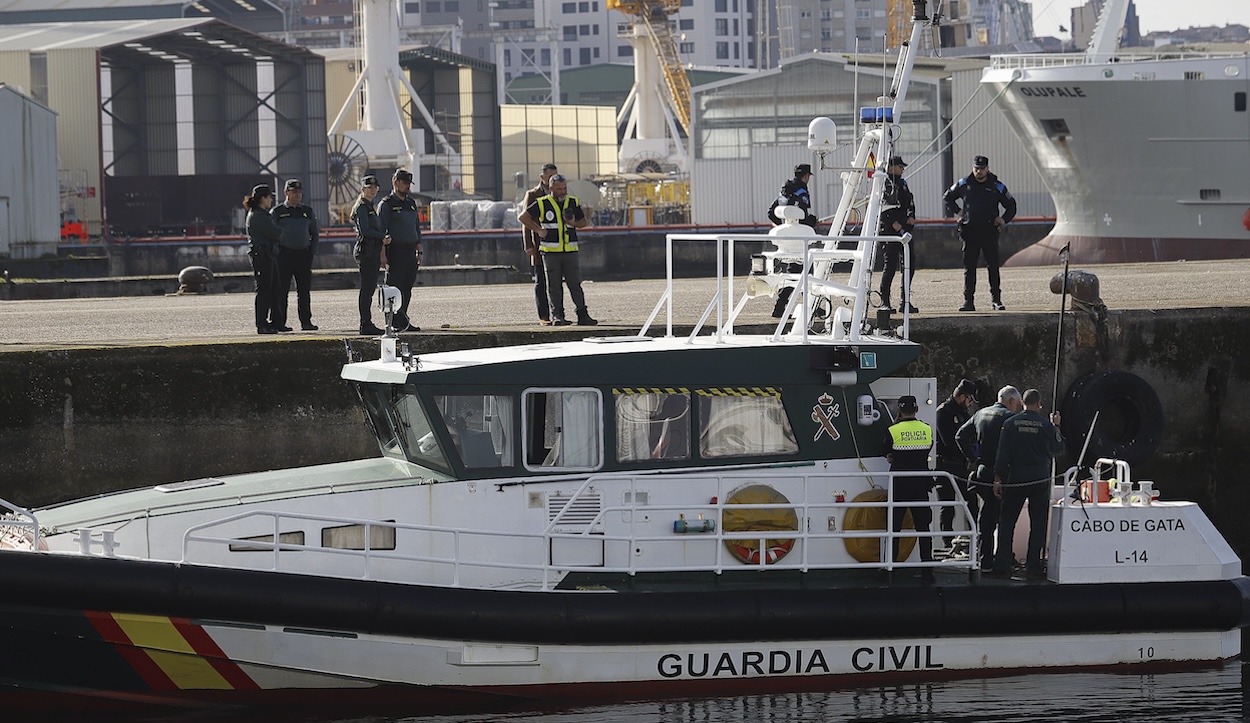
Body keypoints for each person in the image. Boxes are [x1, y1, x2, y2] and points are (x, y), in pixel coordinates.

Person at [991, 388, 1065, 580]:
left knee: (1007, 522)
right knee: (1038, 524)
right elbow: (1058, 449)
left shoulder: (1009, 423)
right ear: (1039, 404)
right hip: (1039, 479)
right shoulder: (1046, 426)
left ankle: (1002, 565)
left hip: (1015, 478)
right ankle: (1033, 568)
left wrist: (998, 479)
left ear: (1022, 402)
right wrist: (1056, 426)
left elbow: (1002, 455)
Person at [955, 384, 1023, 572]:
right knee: (1005, 518)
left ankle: (983, 560)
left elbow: (960, 436)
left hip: (982, 470)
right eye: (1017, 404)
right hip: (1003, 472)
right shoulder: (1011, 418)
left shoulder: (980, 413)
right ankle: (1003, 560)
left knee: (985, 517)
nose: (1016, 407)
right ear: (1011, 401)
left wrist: (973, 458)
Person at [519, 174, 597, 326]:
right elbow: (523, 217)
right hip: (550, 252)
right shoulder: (542, 203)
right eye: (559, 189)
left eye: (564, 188)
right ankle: (558, 316)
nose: (562, 192)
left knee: (575, 284)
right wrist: (539, 230)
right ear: (551, 189)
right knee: (554, 286)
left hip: (570, 251)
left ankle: (582, 314)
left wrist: (573, 222)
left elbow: (583, 222)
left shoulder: (572, 202)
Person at [943, 155, 1017, 312]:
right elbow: (947, 197)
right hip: (970, 232)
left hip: (989, 231)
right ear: (973, 168)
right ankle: (968, 301)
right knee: (969, 268)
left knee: (993, 267)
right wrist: (959, 211)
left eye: (982, 169)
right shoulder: (964, 184)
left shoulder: (997, 186)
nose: (979, 172)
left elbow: (1011, 205)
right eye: (976, 168)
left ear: (987, 168)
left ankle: (996, 300)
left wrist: (1003, 219)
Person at [884, 394, 937, 584]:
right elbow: (926, 449)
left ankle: (891, 570)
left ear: (899, 410)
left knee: (894, 528)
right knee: (923, 527)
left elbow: (887, 452)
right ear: (916, 409)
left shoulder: (892, 430)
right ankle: (927, 570)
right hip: (920, 483)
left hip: (899, 483)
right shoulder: (926, 429)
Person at [766, 163, 818, 318]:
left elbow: (771, 212)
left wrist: (783, 225)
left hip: (787, 239)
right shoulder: (802, 191)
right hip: (799, 239)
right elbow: (802, 215)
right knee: (805, 273)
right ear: (806, 176)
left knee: (795, 273)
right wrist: (812, 221)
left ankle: (782, 308)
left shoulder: (785, 191)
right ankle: (809, 307)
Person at [376, 168, 423, 332]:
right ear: (395, 182)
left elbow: (416, 227)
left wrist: (419, 248)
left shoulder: (410, 204)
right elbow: (380, 230)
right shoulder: (387, 204)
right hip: (395, 251)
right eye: (405, 183)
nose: (407, 186)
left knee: (406, 288)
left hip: (410, 250)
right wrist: (382, 254)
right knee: (393, 288)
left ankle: (402, 320)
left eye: (409, 183)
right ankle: (391, 321)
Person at [271, 179, 320, 332]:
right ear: (286, 193)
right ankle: (279, 322)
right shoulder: (278, 212)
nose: (297, 195)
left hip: (303, 256)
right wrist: (276, 253)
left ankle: (306, 322)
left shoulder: (307, 211)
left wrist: (312, 251)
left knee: (304, 291)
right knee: (281, 291)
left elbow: (315, 233)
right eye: (294, 192)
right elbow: (271, 233)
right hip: (284, 256)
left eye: (299, 192)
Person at [934, 378, 978, 548]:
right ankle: (947, 543)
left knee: (971, 502)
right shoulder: (943, 412)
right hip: (946, 465)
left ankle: (973, 538)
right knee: (948, 506)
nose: (970, 404)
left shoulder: (964, 414)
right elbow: (949, 441)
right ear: (962, 396)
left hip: (961, 466)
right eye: (970, 399)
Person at [877, 156, 918, 314]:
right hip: (889, 232)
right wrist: (892, 223)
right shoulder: (883, 183)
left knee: (909, 266)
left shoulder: (903, 183)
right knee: (890, 268)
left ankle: (905, 302)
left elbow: (909, 203)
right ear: (891, 167)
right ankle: (884, 302)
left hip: (904, 231)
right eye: (900, 166)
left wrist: (911, 216)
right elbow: (879, 208)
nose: (902, 169)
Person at [520, 163, 558, 325]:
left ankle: (557, 315)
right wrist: (528, 244)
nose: (553, 179)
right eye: (550, 176)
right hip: (539, 244)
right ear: (542, 178)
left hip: (556, 245)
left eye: (555, 176)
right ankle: (544, 316)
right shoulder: (533, 194)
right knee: (540, 280)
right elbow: (525, 221)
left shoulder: (558, 193)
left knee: (556, 281)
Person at [243, 184, 283, 335]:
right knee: (264, 290)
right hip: (262, 255)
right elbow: (275, 232)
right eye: (269, 197)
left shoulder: (260, 214)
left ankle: (272, 322)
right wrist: (280, 229)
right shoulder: (258, 216)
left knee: (273, 288)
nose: (271, 200)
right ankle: (262, 323)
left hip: (267, 254)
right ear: (263, 199)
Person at [351, 175, 386, 335]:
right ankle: (365, 323)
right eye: (369, 187)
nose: (372, 190)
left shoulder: (370, 206)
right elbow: (365, 230)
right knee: (367, 288)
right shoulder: (362, 207)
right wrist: (382, 237)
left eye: (375, 187)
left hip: (372, 251)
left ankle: (367, 322)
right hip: (366, 251)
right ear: (363, 189)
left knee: (370, 287)